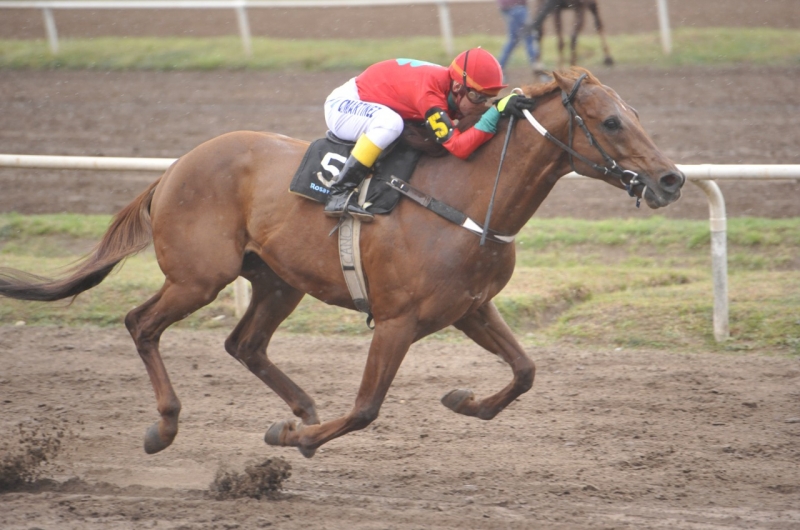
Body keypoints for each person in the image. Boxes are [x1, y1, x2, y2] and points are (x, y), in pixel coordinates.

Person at [322, 48, 534, 222]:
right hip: (344, 106)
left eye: (489, 98)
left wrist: (500, 106)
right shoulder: (430, 96)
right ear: (459, 86)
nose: (482, 104)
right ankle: (340, 192)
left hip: (371, 98)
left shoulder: (453, 88)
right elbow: (459, 148)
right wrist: (495, 112)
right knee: (390, 124)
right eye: (478, 97)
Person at [496, 0, 540, 79]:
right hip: (517, 7)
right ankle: (536, 65)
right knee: (528, 37)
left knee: (514, 39)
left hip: (507, 8)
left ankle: (499, 67)